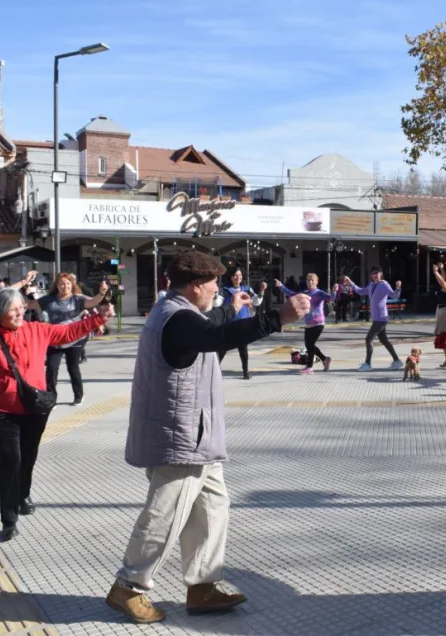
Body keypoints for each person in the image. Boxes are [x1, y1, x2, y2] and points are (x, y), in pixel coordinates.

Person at [105, 251, 310, 623]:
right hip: (180, 438)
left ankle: (202, 586)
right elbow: (215, 335)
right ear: (197, 285)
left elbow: (211, 325)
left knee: (213, 506)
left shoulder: (176, 311)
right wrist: (278, 318)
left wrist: (232, 307)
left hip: (196, 437)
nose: (218, 290)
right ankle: (129, 586)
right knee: (164, 514)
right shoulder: (177, 318)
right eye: (215, 285)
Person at [0, 288, 111, 541]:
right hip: (2, 411)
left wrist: (99, 318)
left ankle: (23, 494)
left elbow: (67, 332)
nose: (18, 312)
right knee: (10, 458)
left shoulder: (37, 330)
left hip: (35, 408)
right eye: (12, 308)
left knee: (28, 455)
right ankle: (8, 518)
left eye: (20, 307)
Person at [26, 273, 109, 405]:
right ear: (57, 286)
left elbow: (94, 301)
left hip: (75, 339)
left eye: (68, 284)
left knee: (73, 367)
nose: (65, 286)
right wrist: (22, 288)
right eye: (62, 284)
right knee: (52, 369)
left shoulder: (78, 299)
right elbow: (30, 304)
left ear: (72, 285)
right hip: (55, 340)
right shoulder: (49, 299)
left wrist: (101, 293)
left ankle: (78, 395)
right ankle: (50, 398)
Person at [345, 266, 403, 372]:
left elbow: (394, 296)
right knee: (384, 340)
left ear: (381, 274)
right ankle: (397, 361)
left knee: (368, 339)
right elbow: (361, 291)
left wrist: (398, 288)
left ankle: (367, 364)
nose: (375, 275)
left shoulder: (384, 284)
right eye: (373, 273)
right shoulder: (371, 285)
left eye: (377, 273)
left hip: (381, 318)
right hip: (376, 317)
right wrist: (351, 283)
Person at [277, 273, 336, 374]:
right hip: (308, 323)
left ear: (316, 282)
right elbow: (292, 294)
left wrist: (334, 291)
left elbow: (331, 298)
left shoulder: (319, 293)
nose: (310, 282)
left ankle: (309, 367)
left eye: (312, 280)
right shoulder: (304, 293)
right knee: (309, 345)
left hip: (318, 322)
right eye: (308, 280)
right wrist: (281, 286)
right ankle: (325, 359)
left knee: (309, 344)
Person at [217, 268, 266, 380]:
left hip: (243, 323)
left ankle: (245, 372)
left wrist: (262, 291)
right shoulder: (224, 289)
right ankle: (214, 371)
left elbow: (256, 301)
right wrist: (215, 295)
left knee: (243, 349)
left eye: (239, 275)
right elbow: (217, 303)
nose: (238, 277)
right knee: (222, 349)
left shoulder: (247, 289)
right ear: (230, 277)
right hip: (228, 323)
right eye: (235, 275)